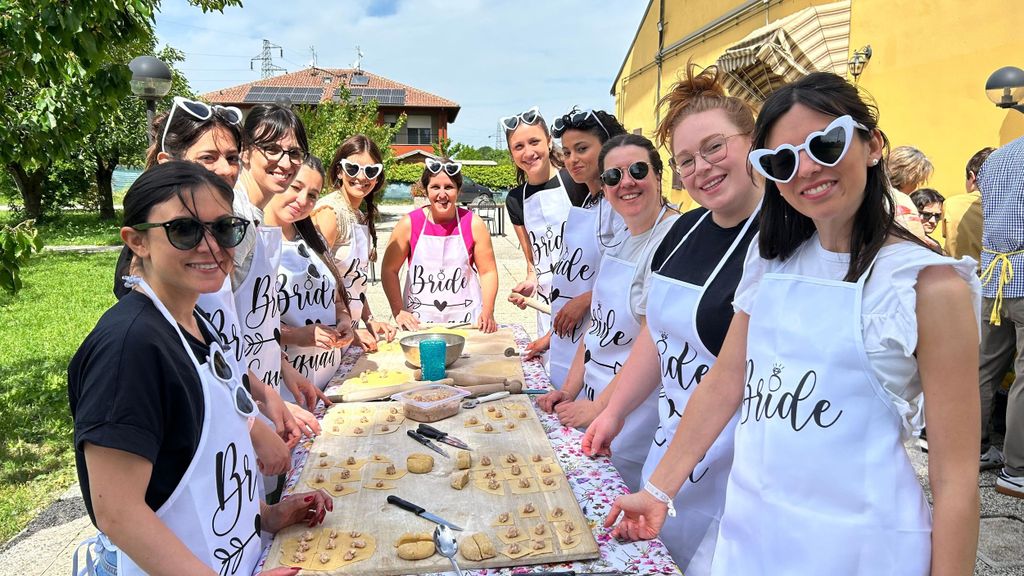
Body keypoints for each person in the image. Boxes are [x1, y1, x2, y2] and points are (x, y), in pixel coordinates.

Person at [605, 72, 981, 575]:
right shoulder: (770, 262)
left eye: (825, 144)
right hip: (749, 534)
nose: (805, 169)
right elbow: (726, 381)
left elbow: (955, 477)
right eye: (782, 160)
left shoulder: (930, 286)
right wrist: (657, 491)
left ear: (872, 146)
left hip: (860, 549)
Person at [69, 161, 332, 576]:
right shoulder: (129, 347)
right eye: (185, 230)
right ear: (137, 241)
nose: (210, 246)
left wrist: (266, 515)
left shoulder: (197, 323)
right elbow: (117, 512)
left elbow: (210, 461)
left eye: (224, 228)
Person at [582, 64, 762, 574]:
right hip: (670, 447)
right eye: (687, 159)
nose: (701, 167)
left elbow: (731, 379)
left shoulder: (778, 241)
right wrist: (613, 411)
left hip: (732, 470)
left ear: (753, 143)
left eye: (714, 148)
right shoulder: (684, 230)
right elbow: (656, 340)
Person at [136, 96, 305, 479]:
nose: (225, 169)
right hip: (206, 433)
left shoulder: (238, 221)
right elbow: (192, 358)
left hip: (243, 399)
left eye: (231, 157)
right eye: (208, 158)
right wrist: (252, 419)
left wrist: (268, 389)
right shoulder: (151, 277)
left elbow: (225, 338)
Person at [538, 133, 679, 492]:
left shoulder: (672, 240)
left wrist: (599, 407)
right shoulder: (621, 238)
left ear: (659, 175)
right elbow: (597, 328)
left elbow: (651, 347)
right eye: (614, 176)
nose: (626, 182)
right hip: (593, 400)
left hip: (632, 416)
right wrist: (569, 391)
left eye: (637, 170)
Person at [545, 107, 627, 388]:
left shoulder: (623, 207)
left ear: (608, 148)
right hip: (568, 336)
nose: (572, 159)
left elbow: (632, 277)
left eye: (582, 148)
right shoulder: (586, 203)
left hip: (604, 338)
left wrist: (585, 300)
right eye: (566, 152)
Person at [502, 107, 590, 353]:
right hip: (546, 307)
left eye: (534, 142)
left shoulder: (576, 182)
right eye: (518, 147)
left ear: (549, 142)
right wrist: (530, 283)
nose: (528, 152)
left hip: (584, 303)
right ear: (511, 154)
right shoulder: (515, 199)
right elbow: (533, 260)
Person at [264, 156, 351, 391]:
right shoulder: (254, 243)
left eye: (312, 195)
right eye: (296, 186)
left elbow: (335, 298)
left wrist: (344, 320)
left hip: (329, 379)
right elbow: (246, 325)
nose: (302, 200)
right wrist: (295, 335)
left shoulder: (315, 241)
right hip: (284, 391)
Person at [381, 158, 499, 331]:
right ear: (426, 189)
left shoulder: (473, 224)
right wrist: (398, 310)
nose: (442, 194)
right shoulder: (409, 224)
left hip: (466, 322)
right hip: (419, 324)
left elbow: (488, 271)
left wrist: (488, 310)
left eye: (449, 187)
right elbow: (389, 270)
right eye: (435, 187)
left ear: (458, 190)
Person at [311, 135, 396, 351]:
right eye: (352, 168)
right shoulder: (330, 212)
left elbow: (355, 281)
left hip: (349, 330)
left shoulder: (360, 215)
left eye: (370, 171)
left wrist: (369, 320)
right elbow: (316, 281)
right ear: (339, 171)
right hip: (327, 333)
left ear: (377, 178)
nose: (361, 177)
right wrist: (348, 328)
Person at [976, 136, 1024, 497]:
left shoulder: (997, 158)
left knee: (984, 368)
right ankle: (1017, 469)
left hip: (993, 275)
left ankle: (974, 449)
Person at [944, 147, 994, 266]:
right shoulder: (1008, 205)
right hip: (995, 275)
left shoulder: (951, 203)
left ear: (972, 177)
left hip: (958, 274)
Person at [886, 145, 931, 240]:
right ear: (911, 177)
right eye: (918, 181)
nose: (915, 187)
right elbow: (916, 239)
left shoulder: (866, 191)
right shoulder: (901, 199)